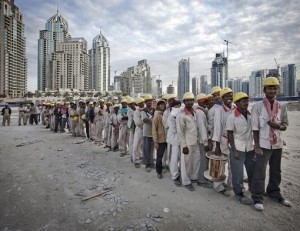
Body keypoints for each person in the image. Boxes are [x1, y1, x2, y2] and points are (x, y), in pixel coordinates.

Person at [251, 77, 291, 211]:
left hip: (278, 143)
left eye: (274, 88)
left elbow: (285, 124)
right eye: (270, 88)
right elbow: (255, 127)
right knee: (260, 171)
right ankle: (257, 197)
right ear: (264, 90)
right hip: (263, 143)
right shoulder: (257, 106)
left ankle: (274, 192)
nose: (272, 90)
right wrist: (256, 145)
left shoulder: (282, 106)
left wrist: (278, 127)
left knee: (276, 170)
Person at [226, 92, 255, 205]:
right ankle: (239, 193)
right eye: (243, 101)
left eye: (247, 101)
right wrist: (234, 150)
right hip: (237, 147)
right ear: (237, 103)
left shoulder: (250, 115)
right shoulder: (232, 117)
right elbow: (229, 134)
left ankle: (253, 189)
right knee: (237, 172)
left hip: (249, 147)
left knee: (252, 170)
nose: (246, 103)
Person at [212, 88, 235, 196]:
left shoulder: (235, 108)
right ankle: (218, 186)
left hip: (234, 141)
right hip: (222, 141)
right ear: (222, 98)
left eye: (231, 95)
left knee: (233, 164)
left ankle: (231, 184)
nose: (229, 98)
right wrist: (217, 146)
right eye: (226, 96)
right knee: (220, 165)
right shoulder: (219, 110)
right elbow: (217, 128)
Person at [176, 92, 200, 192]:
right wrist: (183, 146)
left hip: (196, 141)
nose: (190, 102)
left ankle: (193, 177)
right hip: (187, 142)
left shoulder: (195, 112)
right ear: (184, 102)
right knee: (186, 163)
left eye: (191, 100)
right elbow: (180, 132)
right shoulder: (181, 115)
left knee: (196, 160)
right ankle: (186, 181)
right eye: (187, 100)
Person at [194, 93, 211, 188]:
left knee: (202, 160)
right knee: (204, 160)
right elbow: (202, 129)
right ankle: (201, 180)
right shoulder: (200, 113)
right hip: (202, 140)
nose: (205, 103)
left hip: (201, 139)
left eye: (205, 101)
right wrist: (205, 142)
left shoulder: (200, 111)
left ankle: (202, 178)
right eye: (203, 102)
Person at [166, 100, 182, 186]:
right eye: (176, 105)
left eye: (179, 105)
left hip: (181, 139)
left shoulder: (180, 112)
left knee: (180, 158)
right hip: (174, 139)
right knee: (174, 158)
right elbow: (174, 129)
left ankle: (179, 173)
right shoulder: (171, 116)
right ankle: (175, 176)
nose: (178, 107)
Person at [152, 99, 167, 179]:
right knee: (159, 156)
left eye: (163, 104)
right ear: (158, 106)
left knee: (168, 156)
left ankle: (165, 166)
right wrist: (155, 141)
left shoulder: (166, 114)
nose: (162, 106)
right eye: (160, 104)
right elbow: (154, 129)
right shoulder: (157, 116)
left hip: (167, 139)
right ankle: (159, 172)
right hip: (160, 139)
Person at [141, 95, 155, 172]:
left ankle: (151, 162)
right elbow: (145, 120)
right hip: (146, 132)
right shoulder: (143, 110)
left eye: (151, 101)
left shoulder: (154, 110)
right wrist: (153, 120)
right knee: (146, 148)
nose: (150, 102)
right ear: (145, 102)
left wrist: (152, 120)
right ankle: (147, 164)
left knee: (152, 149)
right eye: (148, 101)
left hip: (153, 132)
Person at [132, 97, 145, 168]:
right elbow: (138, 122)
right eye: (140, 103)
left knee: (145, 145)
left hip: (145, 130)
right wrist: (145, 123)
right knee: (136, 145)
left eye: (142, 102)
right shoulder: (136, 112)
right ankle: (136, 160)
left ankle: (144, 158)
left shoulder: (145, 110)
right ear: (138, 104)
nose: (142, 104)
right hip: (139, 129)